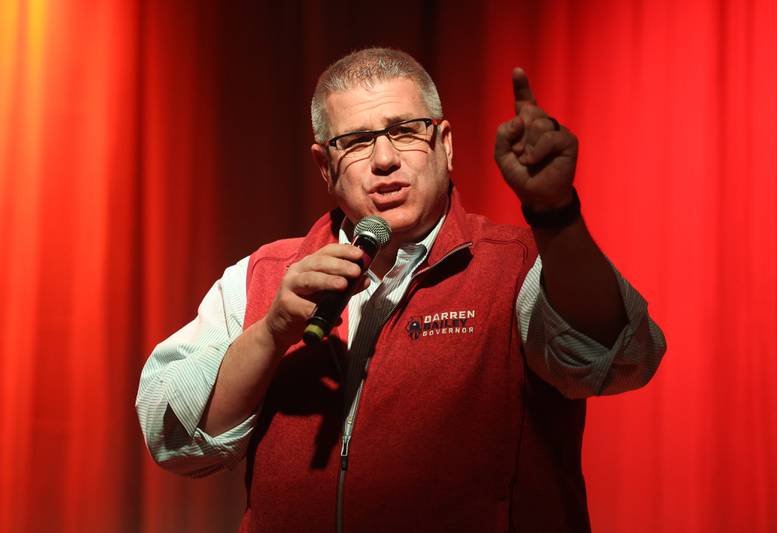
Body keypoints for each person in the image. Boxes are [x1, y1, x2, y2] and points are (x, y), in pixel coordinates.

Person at [136, 47, 666, 532]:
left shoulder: (520, 263)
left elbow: (613, 359)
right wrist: (272, 333)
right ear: (325, 165)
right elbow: (176, 439)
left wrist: (556, 213)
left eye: (405, 130)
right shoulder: (263, 275)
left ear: (446, 144)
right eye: (358, 141)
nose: (384, 159)